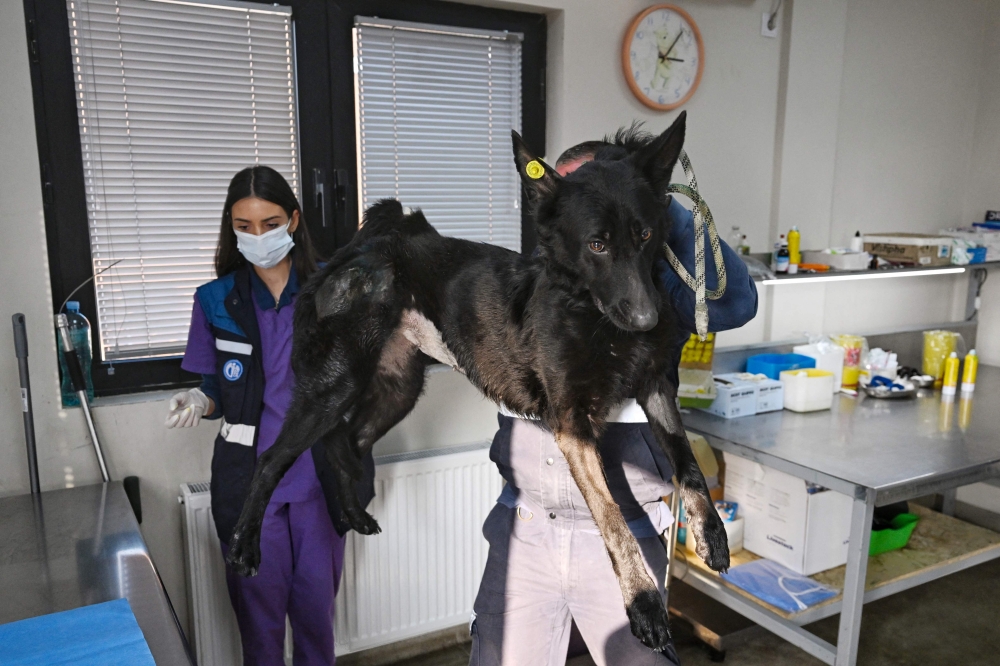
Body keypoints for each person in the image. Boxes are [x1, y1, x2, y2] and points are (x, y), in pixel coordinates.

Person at [469, 136, 759, 666]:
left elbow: (736, 301)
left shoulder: (654, 285)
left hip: (629, 524)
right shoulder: (545, 276)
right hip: (526, 525)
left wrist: (648, 195)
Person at [165, 166, 370, 666]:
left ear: (293, 220)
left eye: (270, 222)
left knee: (315, 616)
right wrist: (198, 400)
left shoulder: (336, 290)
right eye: (244, 226)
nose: (258, 236)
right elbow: (216, 387)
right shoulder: (216, 301)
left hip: (319, 478)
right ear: (231, 228)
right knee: (258, 621)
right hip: (250, 484)